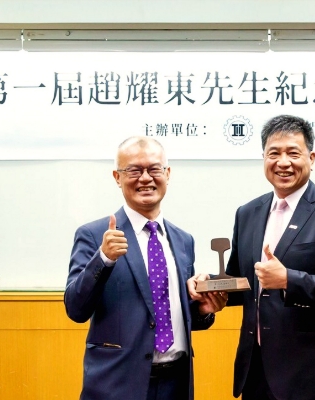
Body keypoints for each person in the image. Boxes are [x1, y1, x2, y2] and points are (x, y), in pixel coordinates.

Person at [189, 114, 315, 400]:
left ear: (311, 158)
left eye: (293, 153)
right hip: (256, 371)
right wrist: (210, 286)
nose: (283, 162)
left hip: (311, 376)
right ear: (264, 158)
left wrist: (288, 280)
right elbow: (244, 282)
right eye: (274, 153)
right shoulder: (247, 213)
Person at [65, 136, 227, 400]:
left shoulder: (183, 240)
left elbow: (171, 314)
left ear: (168, 174)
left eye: (154, 169)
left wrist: (202, 310)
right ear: (117, 177)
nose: (145, 178)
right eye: (133, 170)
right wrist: (103, 258)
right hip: (117, 385)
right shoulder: (94, 235)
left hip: (176, 384)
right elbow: (75, 309)